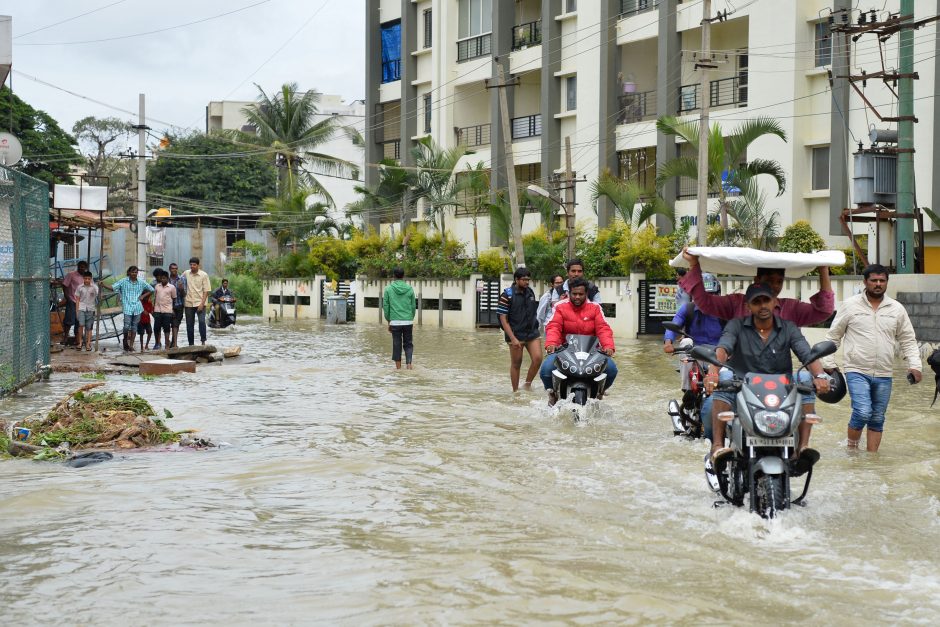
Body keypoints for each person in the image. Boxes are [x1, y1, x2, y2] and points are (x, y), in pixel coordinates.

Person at [704, 283, 831, 469]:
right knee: (724, 378)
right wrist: (713, 372)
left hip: (782, 389)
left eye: (766, 300)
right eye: (756, 302)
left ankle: (802, 447)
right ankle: (717, 446)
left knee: (804, 378)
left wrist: (820, 375)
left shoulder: (789, 327)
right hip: (742, 386)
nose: (762, 306)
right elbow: (723, 347)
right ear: (748, 306)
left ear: (775, 303)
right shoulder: (736, 325)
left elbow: (806, 353)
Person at [822, 264, 922, 452]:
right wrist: (828, 363)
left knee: (877, 417)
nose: (878, 284)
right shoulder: (850, 305)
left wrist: (916, 366)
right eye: (874, 280)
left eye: (882, 280)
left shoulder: (896, 309)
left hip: (885, 372)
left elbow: (908, 340)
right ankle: (852, 452)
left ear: (886, 283)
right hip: (856, 370)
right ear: (865, 282)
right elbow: (833, 336)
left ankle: (871, 459)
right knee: (862, 411)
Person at [679, 248, 834, 325]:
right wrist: (694, 265)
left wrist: (823, 269)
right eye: (769, 280)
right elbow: (705, 303)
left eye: (779, 281)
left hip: (779, 380)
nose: (774, 286)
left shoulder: (790, 313)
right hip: (741, 378)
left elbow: (824, 312)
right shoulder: (735, 307)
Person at [663, 273, 724, 439]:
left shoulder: (724, 312)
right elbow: (675, 325)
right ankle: (688, 393)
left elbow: (732, 335)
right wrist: (668, 341)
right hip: (693, 352)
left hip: (719, 355)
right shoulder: (687, 309)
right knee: (686, 342)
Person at [540, 278, 617, 406]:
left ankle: (600, 392)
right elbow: (554, 326)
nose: (577, 297)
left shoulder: (595, 308)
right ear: (569, 293)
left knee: (612, 369)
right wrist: (551, 344)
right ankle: (552, 393)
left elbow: (603, 329)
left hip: (592, 351)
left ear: (586, 294)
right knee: (546, 369)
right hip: (564, 350)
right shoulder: (560, 307)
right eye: (574, 294)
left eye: (580, 294)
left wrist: (608, 346)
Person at [496, 267, 543, 391]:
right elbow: (503, 319)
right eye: (524, 280)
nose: (527, 282)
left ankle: (527, 384)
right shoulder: (507, 295)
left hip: (532, 332)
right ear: (516, 280)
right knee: (516, 364)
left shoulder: (530, 292)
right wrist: (513, 338)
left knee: (538, 358)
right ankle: (515, 391)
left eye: (528, 280)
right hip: (515, 334)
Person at [111, 265, 155, 353]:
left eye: (136, 272)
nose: (134, 274)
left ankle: (131, 345)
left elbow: (151, 289)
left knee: (134, 327)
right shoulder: (123, 281)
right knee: (126, 326)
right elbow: (113, 287)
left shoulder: (141, 282)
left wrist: (143, 296)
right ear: (129, 273)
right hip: (127, 307)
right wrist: (103, 285)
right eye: (133, 272)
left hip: (137, 307)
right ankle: (125, 339)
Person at [382, 267, 416, 369]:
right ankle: (409, 365)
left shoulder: (388, 289)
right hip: (408, 321)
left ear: (393, 276)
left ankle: (398, 369)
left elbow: (386, 307)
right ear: (403, 276)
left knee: (397, 345)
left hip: (395, 322)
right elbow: (413, 306)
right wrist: (410, 317)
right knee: (408, 344)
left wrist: (389, 321)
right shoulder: (410, 289)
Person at [59, 260, 89, 345]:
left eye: (83, 267)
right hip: (72, 300)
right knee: (69, 320)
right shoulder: (71, 275)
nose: (81, 268)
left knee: (79, 321)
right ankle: (65, 337)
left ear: (86, 268)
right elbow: (64, 285)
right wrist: (66, 296)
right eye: (80, 266)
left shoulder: (87, 277)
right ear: (78, 267)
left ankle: (77, 338)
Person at [182, 257, 211, 346]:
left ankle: (203, 342)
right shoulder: (186, 273)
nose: (192, 266)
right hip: (188, 303)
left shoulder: (204, 275)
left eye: (194, 265)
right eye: (191, 265)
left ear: (198, 265)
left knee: (202, 322)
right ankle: (191, 344)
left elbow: (206, 290)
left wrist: (202, 304)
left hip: (200, 302)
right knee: (189, 324)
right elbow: (179, 281)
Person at [151, 269, 177, 351]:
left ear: (167, 278)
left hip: (167, 311)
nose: (163, 280)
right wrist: (153, 309)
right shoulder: (157, 286)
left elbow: (174, 299)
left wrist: (173, 309)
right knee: (156, 328)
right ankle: (157, 343)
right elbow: (155, 298)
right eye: (162, 278)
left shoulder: (172, 287)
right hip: (157, 310)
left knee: (166, 328)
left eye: (165, 278)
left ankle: (166, 344)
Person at [73, 271, 99, 352]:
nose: (87, 280)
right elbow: (77, 299)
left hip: (91, 309)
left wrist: (97, 286)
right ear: (83, 278)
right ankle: (80, 343)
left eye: (88, 279)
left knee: (89, 328)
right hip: (81, 308)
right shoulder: (80, 287)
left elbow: (99, 295)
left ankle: (88, 344)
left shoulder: (95, 287)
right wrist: (77, 311)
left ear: (91, 279)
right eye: (85, 278)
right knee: (81, 325)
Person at [168, 262, 187, 349]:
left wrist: (181, 289)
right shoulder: (166, 279)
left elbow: (184, 294)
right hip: (167, 306)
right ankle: (169, 343)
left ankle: (174, 343)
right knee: (167, 325)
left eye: (176, 268)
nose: (174, 270)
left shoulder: (182, 279)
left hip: (179, 305)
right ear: (170, 269)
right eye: (173, 268)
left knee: (176, 324)